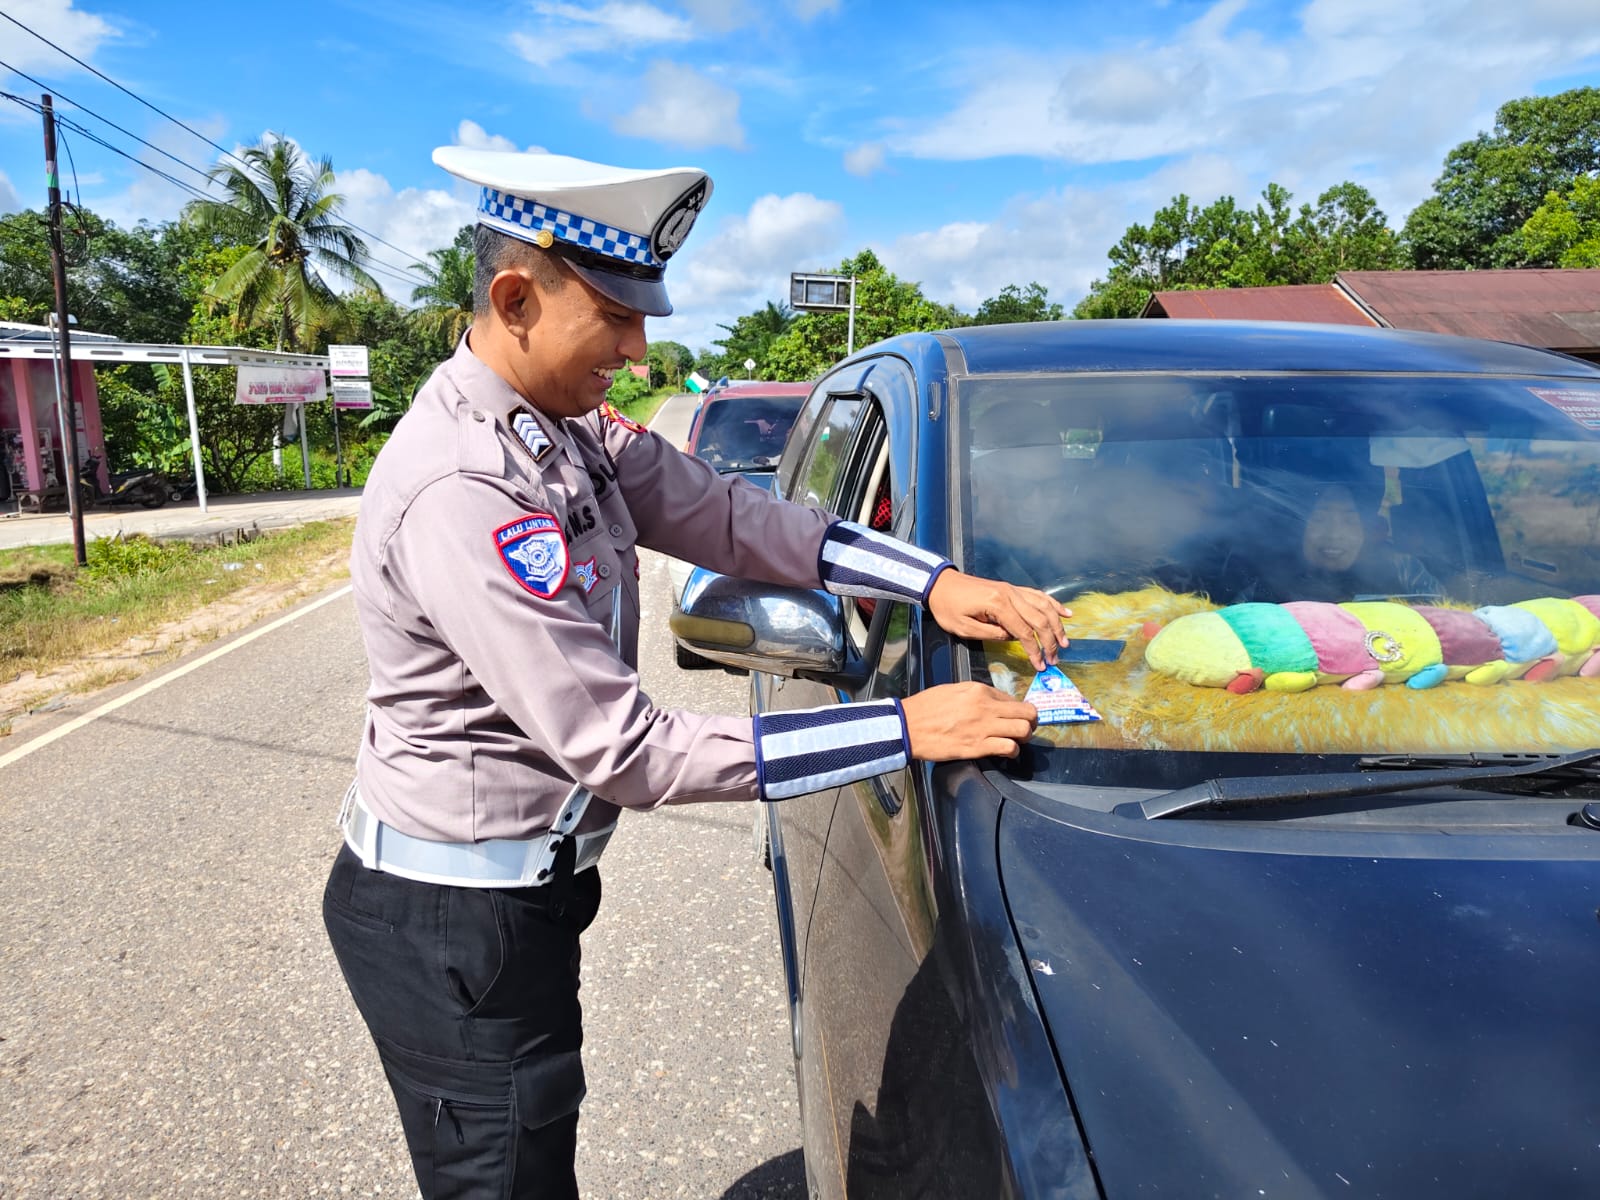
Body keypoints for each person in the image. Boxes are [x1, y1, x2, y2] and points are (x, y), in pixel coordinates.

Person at [321, 146, 1070, 1200]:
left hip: (520, 895)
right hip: (452, 918)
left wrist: (932, 582)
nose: (637, 347)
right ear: (514, 297)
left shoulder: (564, 427)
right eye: (615, 317)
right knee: (503, 1177)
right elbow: (621, 748)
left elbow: (729, 515)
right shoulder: (465, 485)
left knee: (537, 1146)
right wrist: (906, 728)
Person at [1234, 480, 1444, 603]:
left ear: (1366, 529)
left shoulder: (1404, 571)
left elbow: (1448, 625)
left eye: (1349, 521)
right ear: (1299, 529)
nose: (1334, 535)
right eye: (1319, 519)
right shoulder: (1264, 587)